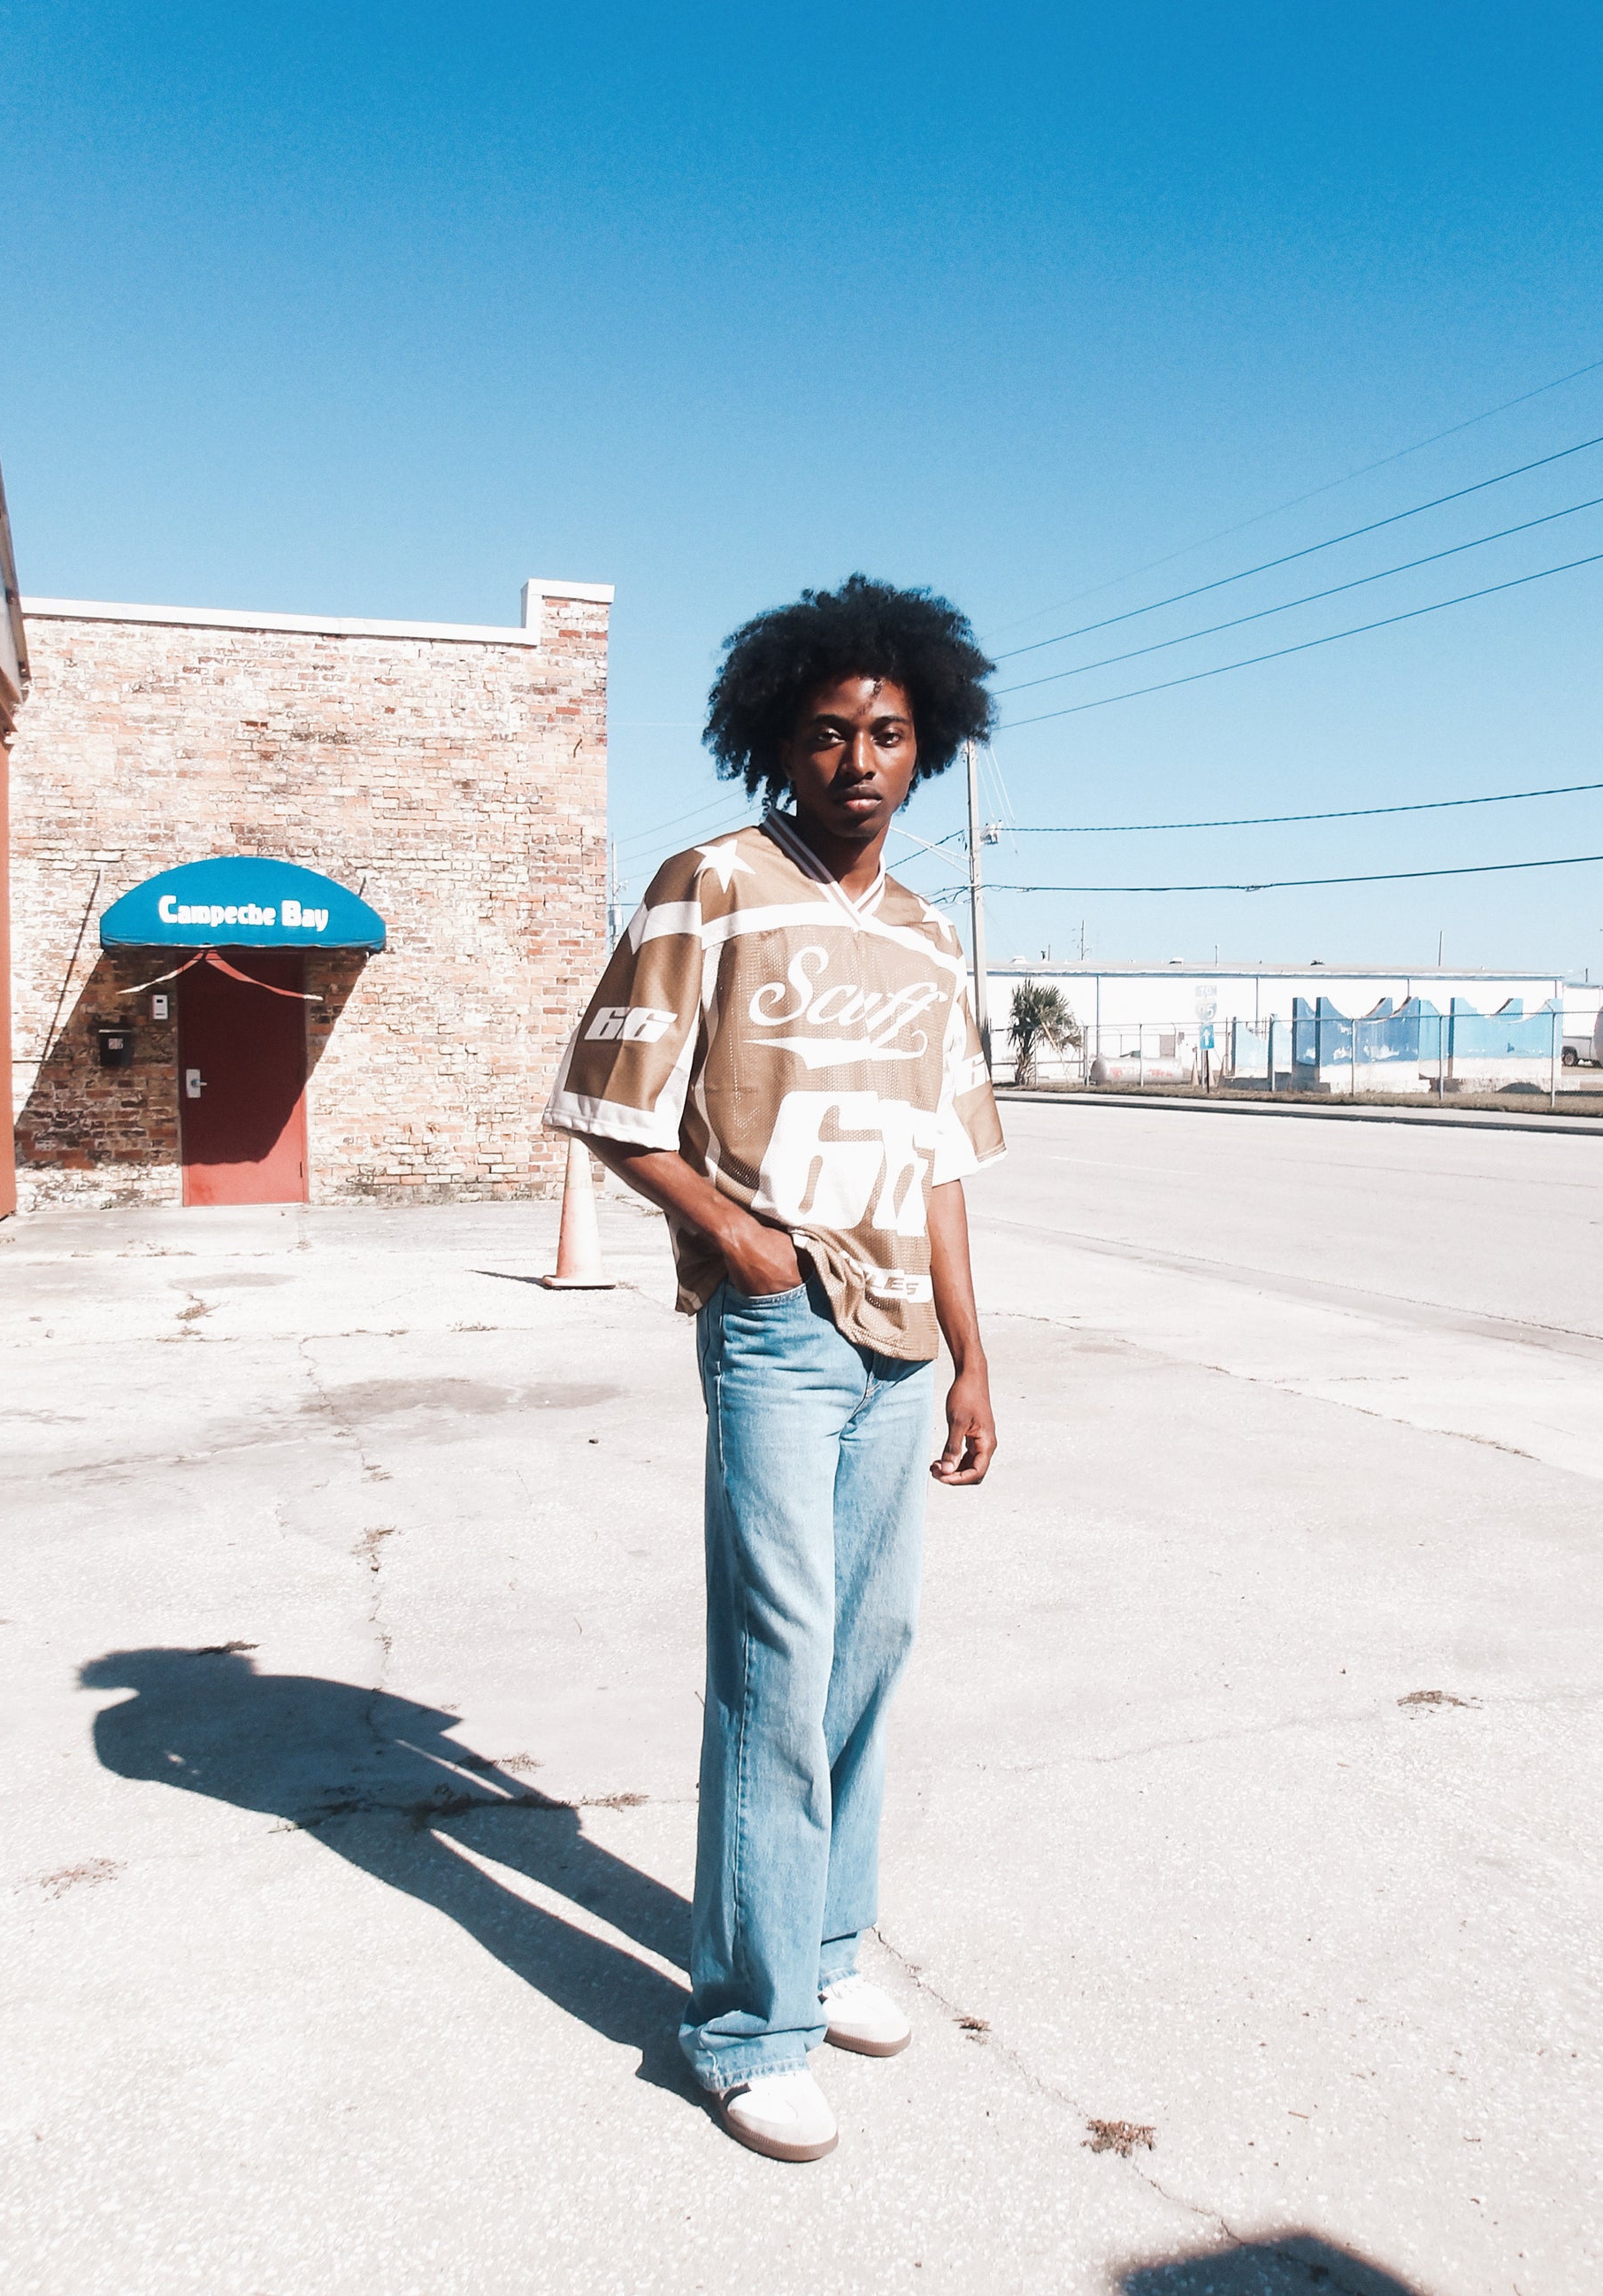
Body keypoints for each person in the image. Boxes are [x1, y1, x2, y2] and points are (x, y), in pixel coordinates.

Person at [545, 572, 1005, 2162]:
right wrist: (736, 1241)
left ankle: (820, 1948)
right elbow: (607, 1103)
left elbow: (943, 1164)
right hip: (779, 1330)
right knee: (775, 1661)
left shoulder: (930, 937)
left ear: (927, 744)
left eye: (887, 733)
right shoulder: (714, 884)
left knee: (871, 1648)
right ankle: (745, 2028)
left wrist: (972, 1357)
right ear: (776, 743)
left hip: (902, 1345)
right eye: (824, 733)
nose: (857, 761)